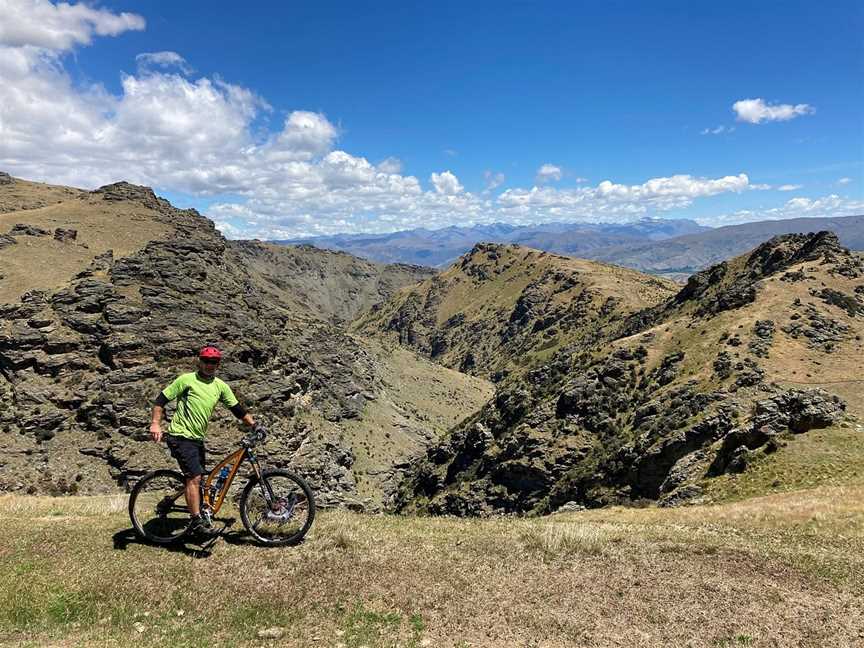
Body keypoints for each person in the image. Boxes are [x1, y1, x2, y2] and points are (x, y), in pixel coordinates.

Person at [149, 345, 259, 538]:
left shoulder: (220, 386)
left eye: (214, 362)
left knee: (199, 480)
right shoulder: (186, 380)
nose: (209, 365)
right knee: (195, 477)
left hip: (197, 439)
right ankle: (196, 522)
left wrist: (254, 425)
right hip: (180, 436)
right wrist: (155, 424)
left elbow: (237, 409)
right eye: (206, 361)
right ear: (199, 361)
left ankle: (175, 503)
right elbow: (160, 400)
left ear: (218, 365)